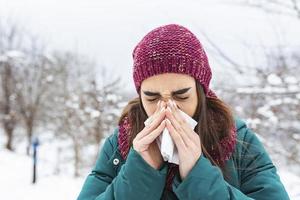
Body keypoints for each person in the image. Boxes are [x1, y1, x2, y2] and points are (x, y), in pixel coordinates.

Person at [77, 24, 289, 200]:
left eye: (181, 96)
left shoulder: (238, 139)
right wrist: (140, 171)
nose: (168, 108)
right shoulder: (119, 144)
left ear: (201, 92)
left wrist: (198, 175)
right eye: (152, 98)